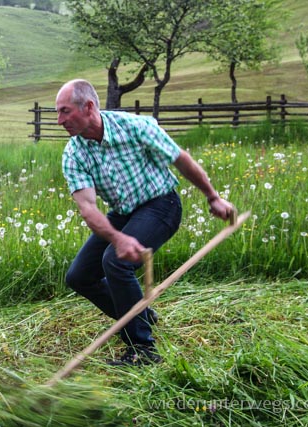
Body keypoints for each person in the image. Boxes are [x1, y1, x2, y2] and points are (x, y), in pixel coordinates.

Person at [56, 79, 234, 366]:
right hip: (124, 212)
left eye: (65, 111)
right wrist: (118, 237)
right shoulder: (74, 153)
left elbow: (181, 159)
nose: (59, 120)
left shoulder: (135, 127)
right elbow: (88, 207)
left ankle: (142, 348)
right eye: (58, 113)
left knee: (115, 263)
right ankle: (140, 315)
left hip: (161, 204)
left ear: (88, 107)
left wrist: (213, 197)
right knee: (78, 276)